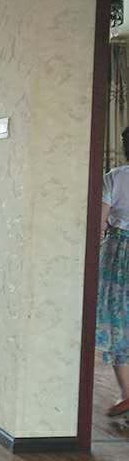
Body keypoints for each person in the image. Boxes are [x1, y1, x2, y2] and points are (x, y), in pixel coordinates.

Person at [98, 125, 129, 416]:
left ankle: (126, 394)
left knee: (119, 319)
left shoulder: (115, 178)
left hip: (118, 253)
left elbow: (99, 222)